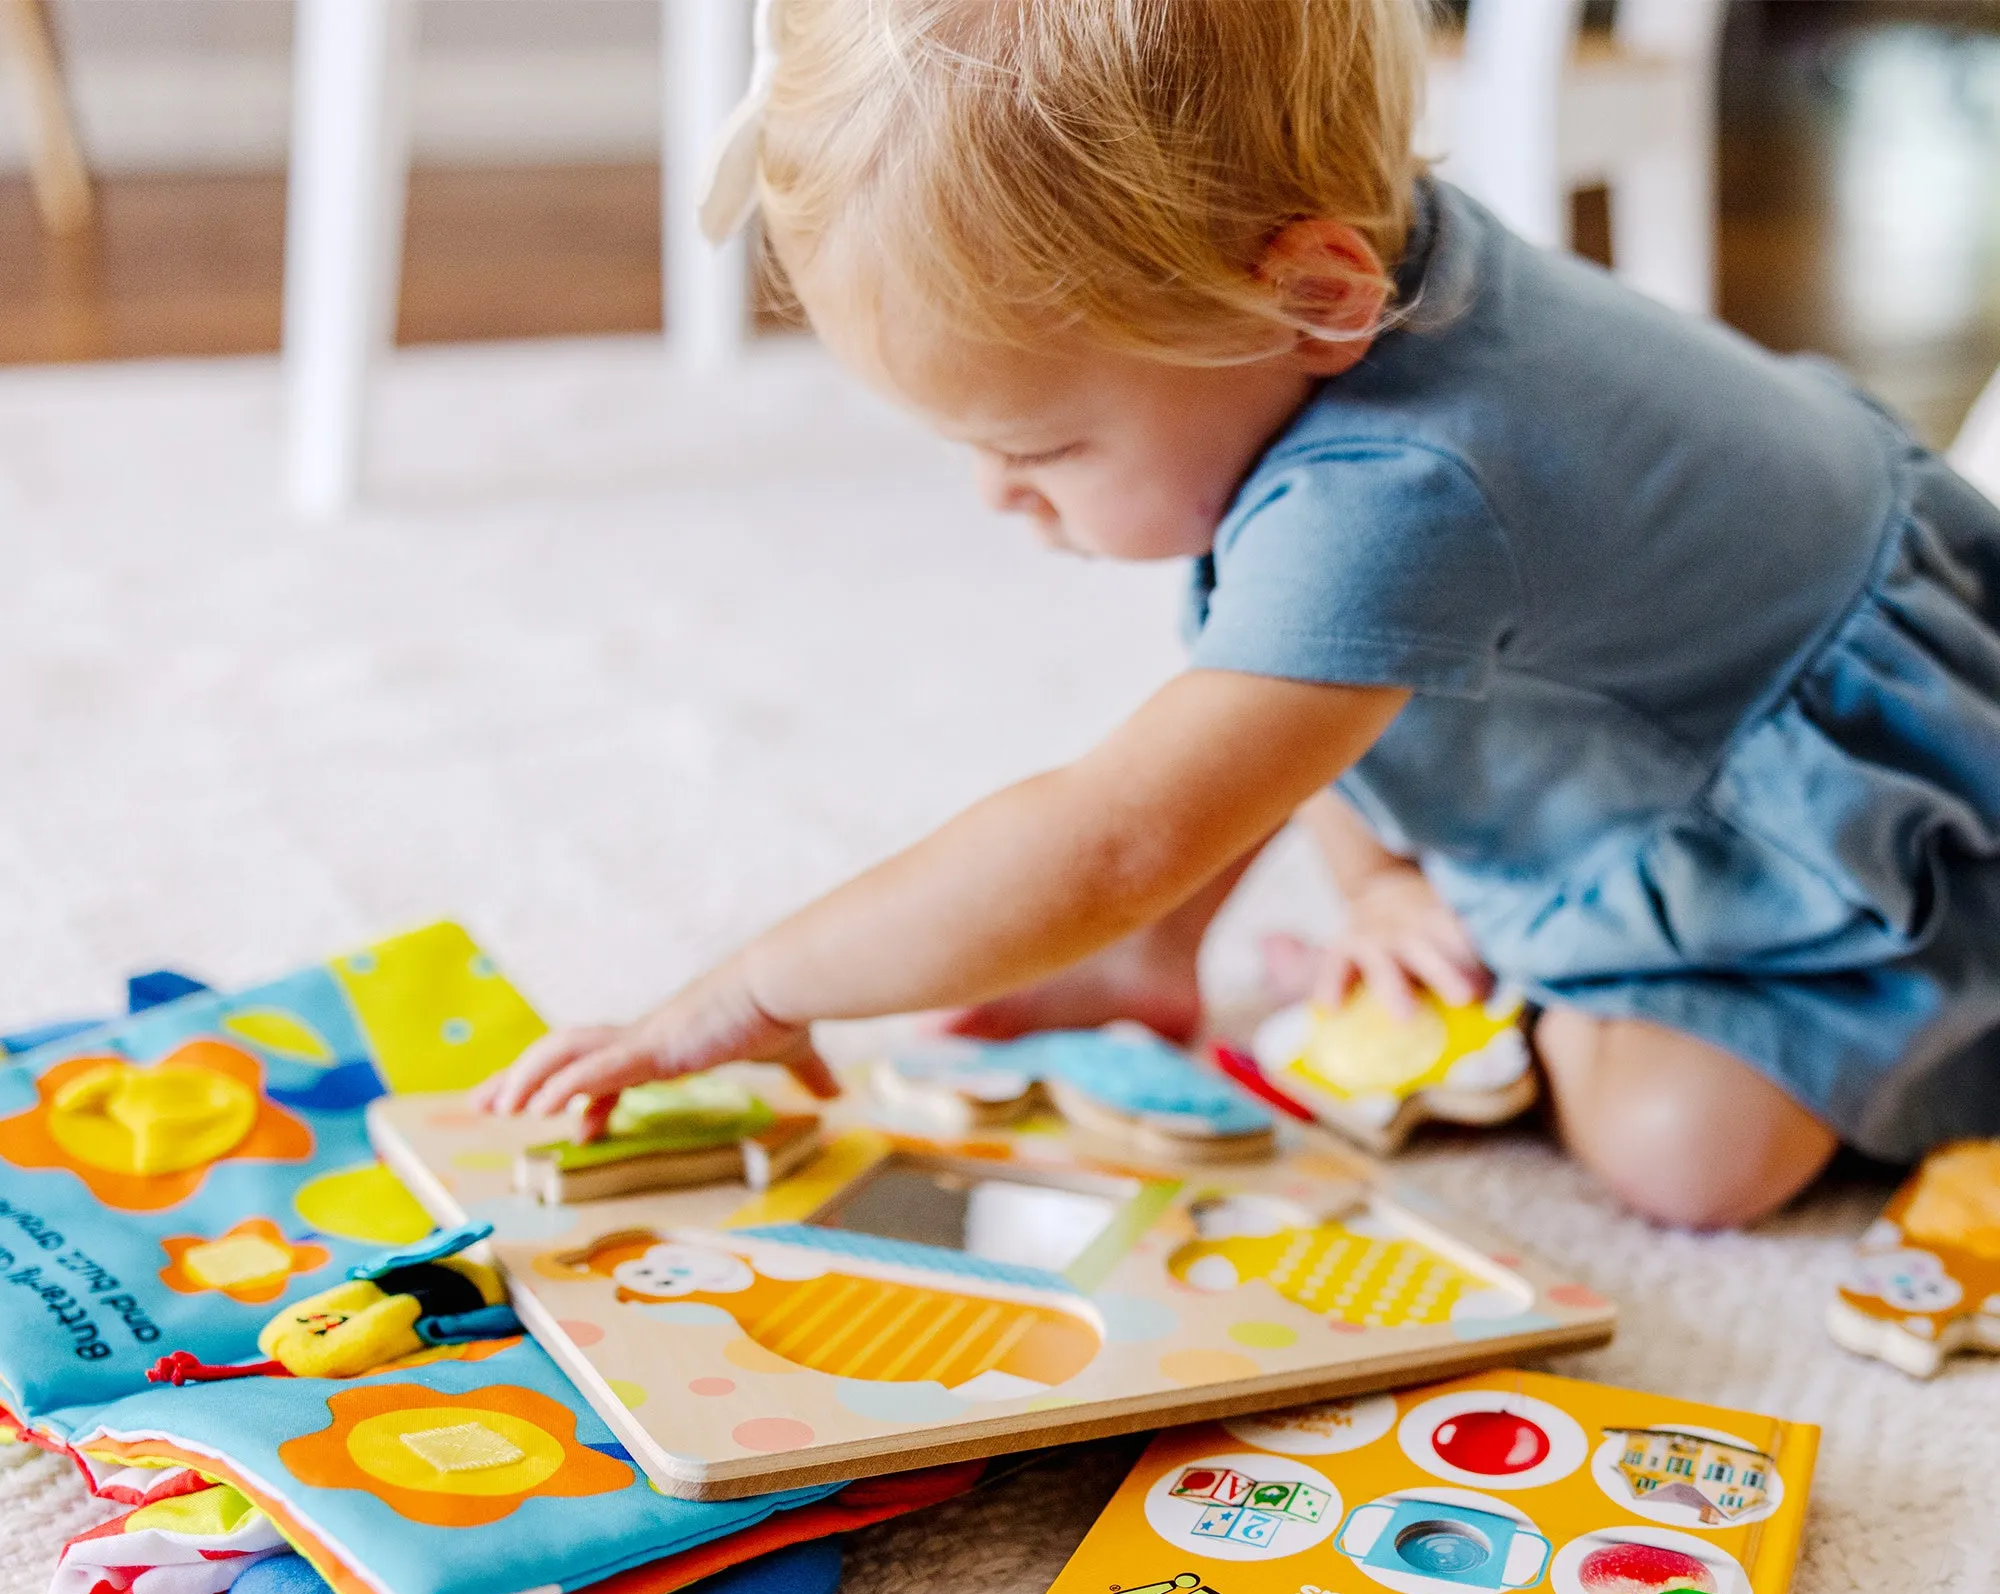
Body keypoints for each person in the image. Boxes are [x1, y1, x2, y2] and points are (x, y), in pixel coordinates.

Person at [484, 0, 2000, 1230]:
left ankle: (1566, 971)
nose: (996, 498)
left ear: (1317, 297)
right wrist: (1368, 882)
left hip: (1868, 798)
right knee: (1278, 684)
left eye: (1039, 448)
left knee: (1683, 1154)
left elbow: (1114, 835)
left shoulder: (1414, 484)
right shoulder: (1338, 292)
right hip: (1658, 688)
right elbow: (1310, 696)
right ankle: (1194, 952)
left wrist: (750, 990)